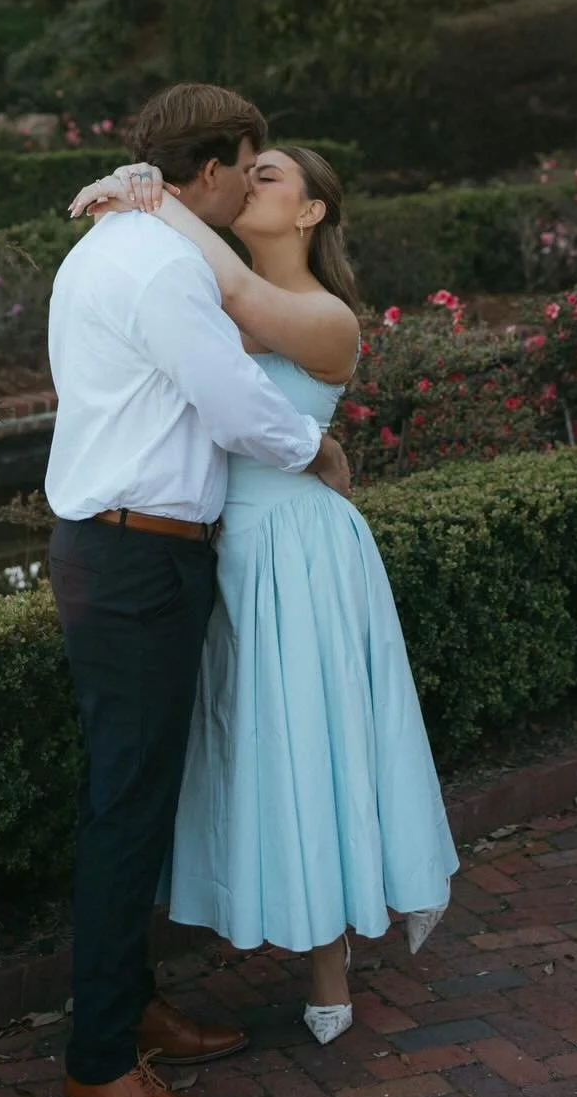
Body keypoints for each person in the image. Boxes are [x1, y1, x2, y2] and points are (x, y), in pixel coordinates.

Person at [69, 141, 457, 1048]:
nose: (251, 183)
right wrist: (144, 201)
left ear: (313, 211)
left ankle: (330, 964)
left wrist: (151, 196)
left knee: (305, 742)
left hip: (298, 552)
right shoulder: (199, 283)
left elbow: (242, 305)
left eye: (271, 175)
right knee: (240, 750)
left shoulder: (326, 318)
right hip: (219, 546)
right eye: (248, 169)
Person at [45, 84, 355, 1097]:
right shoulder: (161, 263)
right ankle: (98, 1065)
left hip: (123, 548)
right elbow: (232, 402)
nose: (250, 180)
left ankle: (134, 1008)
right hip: (137, 559)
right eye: (249, 164)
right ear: (216, 168)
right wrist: (315, 449)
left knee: (133, 795)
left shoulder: (110, 244)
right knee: (126, 809)